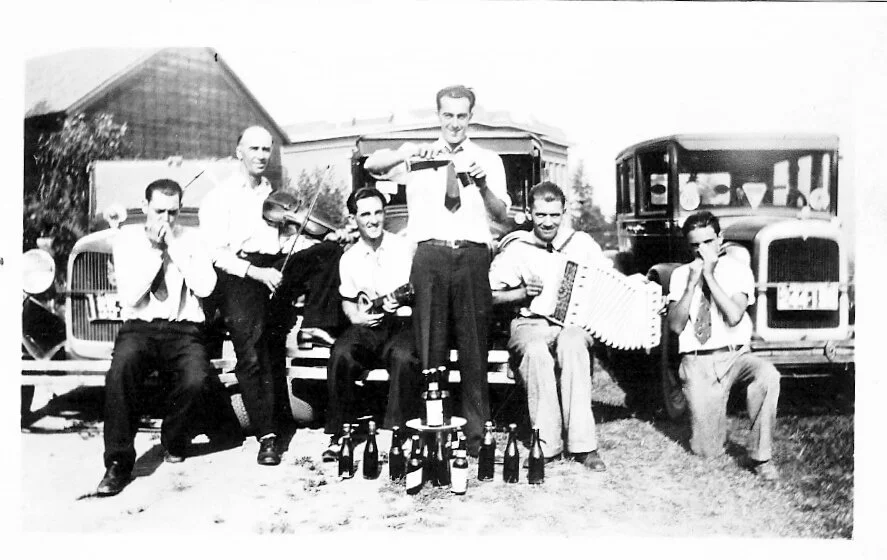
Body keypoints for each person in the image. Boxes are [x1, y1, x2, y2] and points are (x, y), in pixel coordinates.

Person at [363, 85, 510, 454]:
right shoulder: (418, 156)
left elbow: (502, 216)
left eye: (461, 116)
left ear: (471, 117)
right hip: (429, 257)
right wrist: (406, 152)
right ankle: (435, 437)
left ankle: (477, 439)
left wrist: (483, 186)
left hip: (472, 257)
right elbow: (371, 166)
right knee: (431, 351)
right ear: (438, 116)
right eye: (448, 115)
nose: (455, 123)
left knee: (474, 350)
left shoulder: (488, 160)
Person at [199, 126, 347, 466]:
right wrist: (256, 272)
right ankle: (267, 435)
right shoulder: (220, 196)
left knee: (328, 252)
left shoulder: (271, 193)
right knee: (252, 350)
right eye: (254, 149)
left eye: (266, 149)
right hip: (239, 274)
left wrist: (315, 239)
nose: (261, 155)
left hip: (274, 266)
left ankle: (315, 324)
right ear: (239, 151)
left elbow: (281, 243)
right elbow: (216, 253)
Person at [97, 179, 238, 496]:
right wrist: (156, 253)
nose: (166, 219)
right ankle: (118, 463)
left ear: (180, 210)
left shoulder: (193, 239)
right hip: (140, 327)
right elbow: (131, 296)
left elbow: (205, 287)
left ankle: (173, 438)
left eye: (173, 212)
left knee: (197, 379)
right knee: (121, 371)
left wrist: (174, 246)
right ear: (144, 207)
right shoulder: (127, 240)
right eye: (159, 211)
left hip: (183, 328)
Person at [489, 182, 607, 471]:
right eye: (541, 214)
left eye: (554, 215)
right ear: (530, 213)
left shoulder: (581, 244)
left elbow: (607, 281)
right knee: (536, 352)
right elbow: (489, 295)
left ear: (564, 213)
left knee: (574, 345)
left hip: (572, 324)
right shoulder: (517, 249)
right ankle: (546, 444)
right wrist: (520, 293)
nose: (548, 222)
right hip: (530, 323)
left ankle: (583, 445)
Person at [666, 210, 780, 480]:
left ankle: (761, 456)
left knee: (767, 374)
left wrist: (709, 276)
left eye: (708, 242)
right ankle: (711, 434)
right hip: (698, 361)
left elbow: (734, 316)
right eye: (695, 245)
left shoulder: (738, 270)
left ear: (720, 238)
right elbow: (675, 326)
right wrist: (691, 285)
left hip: (735, 356)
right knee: (707, 451)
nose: (702, 250)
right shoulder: (681, 275)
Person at [322, 188, 420, 461]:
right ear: (353, 219)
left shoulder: (404, 248)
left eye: (378, 212)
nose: (373, 220)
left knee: (404, 356)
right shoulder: (349, 258)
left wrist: (403, 302)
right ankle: (340, 433)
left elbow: (418, 290)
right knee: (341, 353)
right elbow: (348, 300)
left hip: (402, 323)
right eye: (365, 214)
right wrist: (356, 317)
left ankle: (400, 434)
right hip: (368, 326)